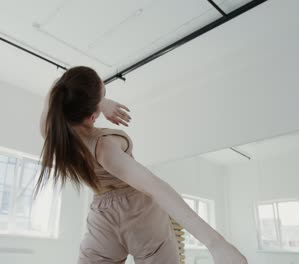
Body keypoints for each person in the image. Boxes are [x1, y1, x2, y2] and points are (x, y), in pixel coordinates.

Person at [35, 66, 247, 264]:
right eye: (103, 93)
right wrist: (215, 243)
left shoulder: (51, 132)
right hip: (139, 211)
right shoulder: (103, 146)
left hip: (102, 216)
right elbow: (154, 187)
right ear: (92, 116)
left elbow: (59, 87)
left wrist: (101, 102)